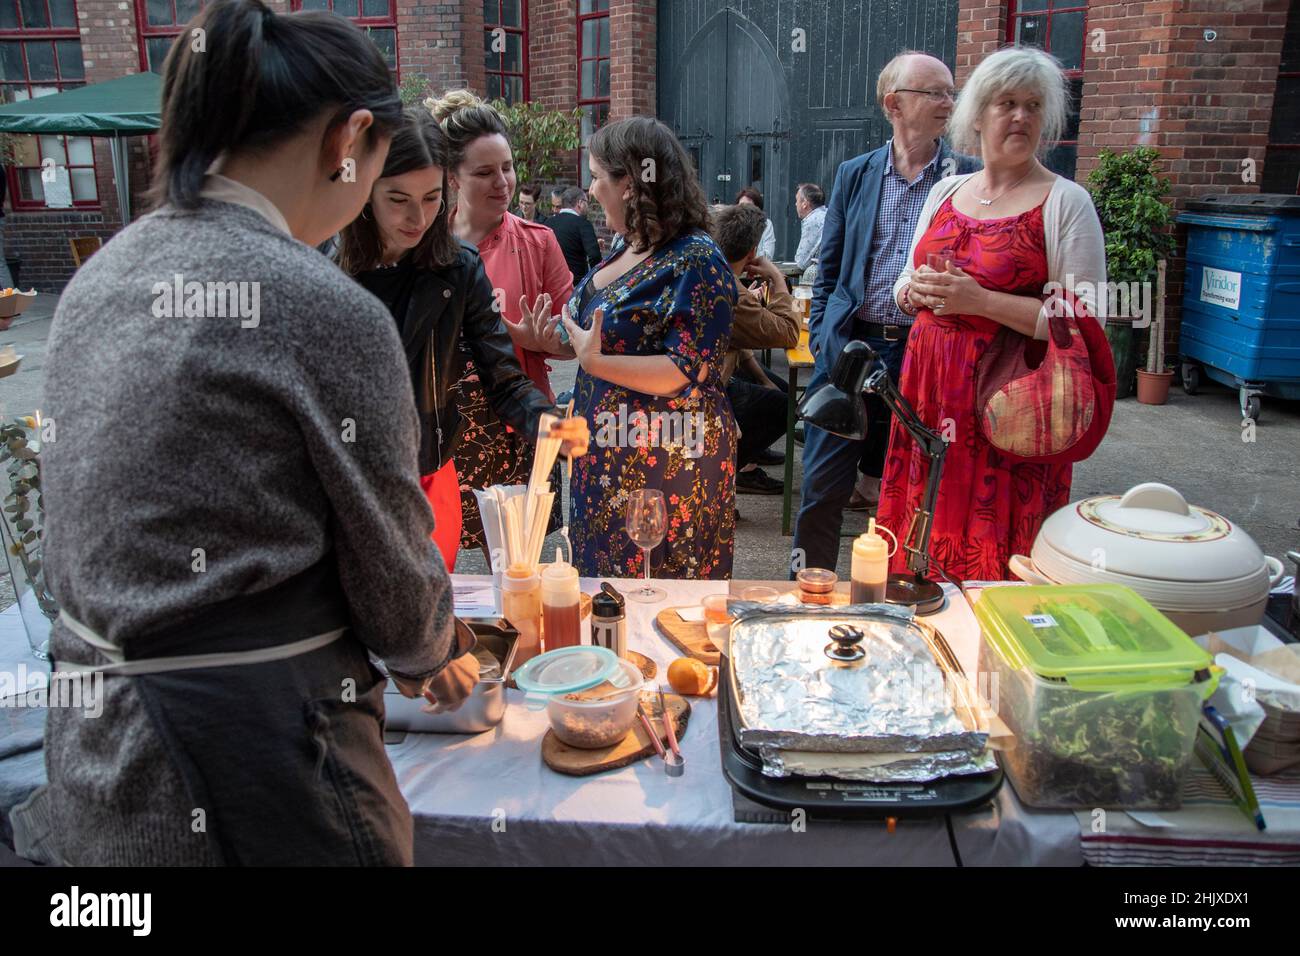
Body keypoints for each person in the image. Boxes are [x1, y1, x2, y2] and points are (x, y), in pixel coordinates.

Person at [24, 0, 476, 866]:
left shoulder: (97, 281)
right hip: (257, 761)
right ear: (349, 141)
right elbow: (393, 575)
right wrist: (434, 653)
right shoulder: (321, 307)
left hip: (94, 761)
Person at [878, 46, 1107, 581]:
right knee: (921, 525)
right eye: (1007, 103)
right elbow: (903, 283)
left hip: (1008, 401)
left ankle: (988, 648)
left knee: (993, 541)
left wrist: (979, 302)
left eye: (1033, 105)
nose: (1021, 116)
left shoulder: (1065, 202)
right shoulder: (945, 191)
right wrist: (914, 294)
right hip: (928, 389)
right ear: (977, 115)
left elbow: (1085, 319)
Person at [337, 108, 588, 570]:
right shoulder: (331, 266)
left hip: (433, 471)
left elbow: (504, 380)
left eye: (431, 198)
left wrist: (550, 422)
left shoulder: (458, 267)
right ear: (364, 191)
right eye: (398, 199)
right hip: (355, 476)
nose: (418, 217)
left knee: (432, 612)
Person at [792, 50, 979, 575]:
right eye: (935, 92)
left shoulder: (966, 177)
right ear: (894, 104)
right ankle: (809, 591)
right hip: (852, 346)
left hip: (924, 346)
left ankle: (906, 592)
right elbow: (827, 272)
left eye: (951, 92)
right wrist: (828, 339)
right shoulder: (855, 174)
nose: (949, 102)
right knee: (824, 486)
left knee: (918, 484)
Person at [559, 117, 737, 579]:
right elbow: (598, 328)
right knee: (606, 596)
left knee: (663, 599)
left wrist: (595, 361)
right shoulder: (626, 243)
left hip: (665, 457)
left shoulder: (696, 257)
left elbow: (687, 368)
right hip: (604, 453)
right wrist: (550, 338)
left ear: (631, 185)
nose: (592, 189)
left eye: (597, 176)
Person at [430, 90, 574, 557]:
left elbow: (573, 341)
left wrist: (541, 340)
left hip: (517, 419)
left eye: (507, 167)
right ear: (452, 177)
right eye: (484, 172)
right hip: (446, 424)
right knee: (440, 550)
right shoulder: (425, 245)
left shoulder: (538, 241)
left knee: (516, 560)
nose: (503, 182)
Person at [710, 202, 801, 495]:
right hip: (711, 388)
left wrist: (763, 381)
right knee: (786, 407)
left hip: (710, 376)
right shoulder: (732, 291)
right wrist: (776, 279)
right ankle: (725, 470)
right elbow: (788, 332)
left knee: (777, 388)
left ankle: (748, 457)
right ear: (752, 252)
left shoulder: (715, 271)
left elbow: (741, 343)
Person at [547, 185, 603, 283]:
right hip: (575, 285)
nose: (588, 207)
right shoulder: (583, 224)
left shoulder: (547, 223)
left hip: (552, 285)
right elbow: (594, 256)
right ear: (580, 203)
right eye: (587, 202)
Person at [793, 182, 827, 284]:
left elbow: (801, 262)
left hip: (821, 279)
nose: (795, 204)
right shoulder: (826, 214)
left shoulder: (813, 220)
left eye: (797, 200)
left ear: (805, 204)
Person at [735, 186, 776, 259]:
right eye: (741, 206)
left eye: (748, 206)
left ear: (757, 209)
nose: (744, 210)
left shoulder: (766, 224)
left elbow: (768, 256)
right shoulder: (732, 223)